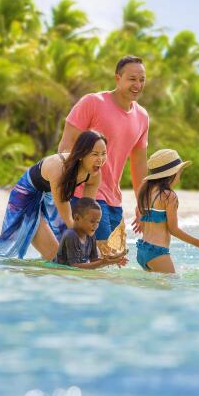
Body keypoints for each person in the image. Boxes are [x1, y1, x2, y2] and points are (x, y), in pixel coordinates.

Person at [56, 56, 149, 255]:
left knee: (115, 260)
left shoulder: (142, 117)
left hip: (114, 199)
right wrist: (65, 188)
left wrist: (142, 204)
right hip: (85, 193)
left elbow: (139, 163)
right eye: (132, 79)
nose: (138, 84)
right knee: (101, 258)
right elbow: (65, 145)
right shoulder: (93, 102)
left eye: (142, 79)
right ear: (118, 78)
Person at [0, 131, 106, 260]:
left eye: (104, 154)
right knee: (55, 257)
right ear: (81, 154)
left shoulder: (94, 174)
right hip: (25, 197)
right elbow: (69, 219)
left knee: (80, 256)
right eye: (95, 154)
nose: (100, 159)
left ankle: (41, 275)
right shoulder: (59, 169)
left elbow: (85, 214)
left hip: (49, 198)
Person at [135, 149, 199, 273]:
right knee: (172, 287)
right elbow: (173, 229)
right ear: (173, 174)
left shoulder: (145, 191)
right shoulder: (169, 196)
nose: (180, 176)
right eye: (180, 172)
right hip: (158, 253)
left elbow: (140, 215)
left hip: (142, 250)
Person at [55, 198, 127, 269]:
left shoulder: (90, 235)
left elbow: (93, 260)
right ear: (77, 218)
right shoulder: (71, 236)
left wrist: (112, 261)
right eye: (92, 221)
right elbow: (74, 266)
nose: (95, 226)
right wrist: (103, 262)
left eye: (98, 222)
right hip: (59, 272)